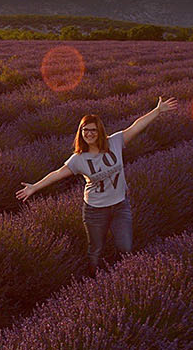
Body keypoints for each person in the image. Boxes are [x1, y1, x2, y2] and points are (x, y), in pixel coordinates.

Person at [16, 97, 178, 274]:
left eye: (93, 130)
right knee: (95, 250)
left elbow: (136, 126)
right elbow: (58, 173)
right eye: (85, 130)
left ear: (100, 131)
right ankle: (93, 278)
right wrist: (34, 187)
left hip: (120, 206)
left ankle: (123, 276)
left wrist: (157, 111)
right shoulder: (79, 158)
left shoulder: (114, 142)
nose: (89, 134)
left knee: (125, 247)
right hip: (95, 210)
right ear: (81, 133)